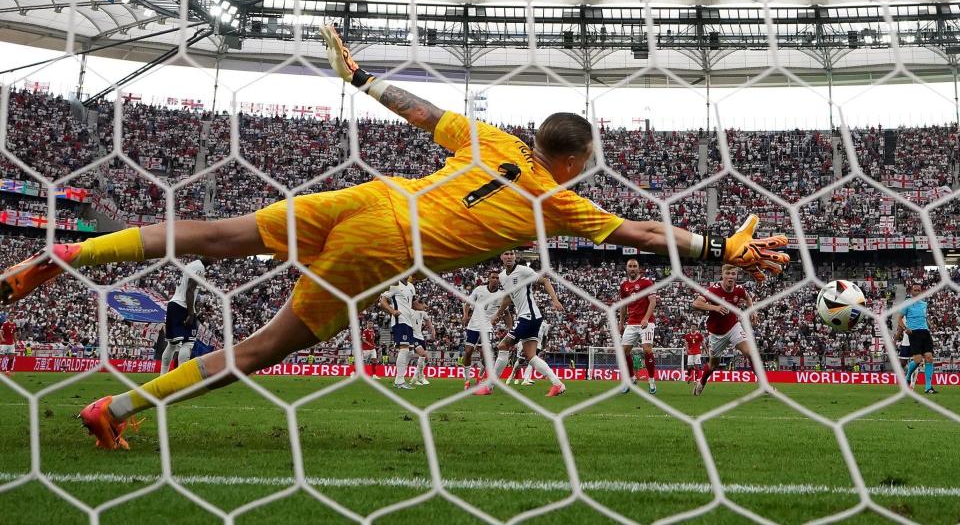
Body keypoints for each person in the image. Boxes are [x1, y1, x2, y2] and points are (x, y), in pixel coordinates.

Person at [0, 26, 789, 450]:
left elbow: (415, 109)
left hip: (367, 197)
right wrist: (723, 247)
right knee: (266, 346)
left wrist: (356, 77)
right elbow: (647, 232)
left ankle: (61, 255)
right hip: (384, 249)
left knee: (216, 232)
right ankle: (117, 407)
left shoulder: (490, 139)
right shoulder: (559, 203)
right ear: (577, 159)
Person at [475, 250, 568, 396]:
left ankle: (489, 386)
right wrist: (498, 314)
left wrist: (555, 300)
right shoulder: (502, 276)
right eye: (506, 254)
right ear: (501, 257)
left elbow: (544, 281)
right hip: (530, 317)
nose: (509, 256)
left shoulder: (524, 271)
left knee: (503, 345)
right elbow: (508, 297)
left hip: (528, 316)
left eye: (512, 254)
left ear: (515, 256)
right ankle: (557, 384)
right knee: (530, 355)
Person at [690, 265, 758, 396]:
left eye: (733, 274)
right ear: (723, 275)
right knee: (712, 365)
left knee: (750, 353)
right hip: (716, 334)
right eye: (728, 273)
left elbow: (748, 298)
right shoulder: (713, 290)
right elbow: (695, 303)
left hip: (733, 327)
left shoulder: (739, 289)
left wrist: (752, 310)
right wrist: (715, 307)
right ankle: (702, 382)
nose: (731, 276)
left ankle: (764, 385)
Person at [617, 258, 657, 394]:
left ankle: (651, 381)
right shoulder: (624, 285)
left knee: (647, 350)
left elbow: (653, 302)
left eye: (635, 266)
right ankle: (631, 379)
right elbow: (623, 306)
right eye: (630, 266)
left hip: (647, 322)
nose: (632, 268)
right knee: (624, 352)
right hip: (632, 323)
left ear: (639, 268)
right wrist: (621, 323)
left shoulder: (647, 283)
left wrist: (646, 318)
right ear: (627, 268)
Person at [160, 259, 205, 374]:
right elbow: (190, 290)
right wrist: (190, 313)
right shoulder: (199, 267)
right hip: (183, 306)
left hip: (173, 304)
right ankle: (181, 377)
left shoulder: (191, 265)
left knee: (172, 344)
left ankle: (162, 376)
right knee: (188, 342)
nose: (216, 260)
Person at [460, 271, 503, 390]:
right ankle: (467, 380)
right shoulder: (479, 289)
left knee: (486, 354)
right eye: (493, 277)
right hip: (473, 326)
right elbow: (468, 303)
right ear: (488, 279)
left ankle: (483, 378)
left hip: (487, 328)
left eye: (497, 278)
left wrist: (506, 324)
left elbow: (505, 311)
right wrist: (465, 315)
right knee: (468, 352)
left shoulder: (501, 294)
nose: (495, 279)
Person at [896, 283, 937, 394]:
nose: (917, 292)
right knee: (918, 360)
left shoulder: (924, 304)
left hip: (925, 332)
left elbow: (924, 317)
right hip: (914, 333)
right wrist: (905, 328)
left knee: (929, 358)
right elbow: (899, 318)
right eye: (915, 290)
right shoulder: (906, 303)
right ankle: (908, 376)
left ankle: (928, 387)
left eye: (919, 290)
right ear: (911, 291)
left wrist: (930, 324)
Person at [380, 276, 417, 390]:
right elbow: (382, 300)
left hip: (409, 322)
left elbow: (412, 304)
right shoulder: (395, 286)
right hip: (400, 320)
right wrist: (392, 311)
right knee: (404, 349)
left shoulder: (411, 286)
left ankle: (399, 379)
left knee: (410, 352)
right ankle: (400, 381)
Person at [410, 297, 436, 386]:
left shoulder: (423, 313)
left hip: (420, 337)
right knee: (423, 354)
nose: (424, 305)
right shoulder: (409, 311)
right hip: (412, 337)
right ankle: (421, 377)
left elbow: (428, 321)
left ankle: (415, 378)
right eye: (420, 302)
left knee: (426, 358)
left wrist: (433, 330)